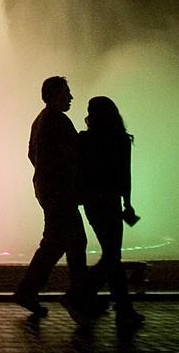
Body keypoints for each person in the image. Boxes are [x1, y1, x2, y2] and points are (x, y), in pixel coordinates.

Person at [12, 76, 99, 319]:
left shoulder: (40, 120)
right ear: (54, 95)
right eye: (66, 93)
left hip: (47, 189)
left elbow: (31, 153)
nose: (70, 97)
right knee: (70, 241)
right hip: (60, 191)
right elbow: (74, 153)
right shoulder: (57, 120)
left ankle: (37, 291)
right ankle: (76, 298)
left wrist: (43, 172)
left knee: (60, 242)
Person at [79, 95, 144, 326]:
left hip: (92, 203)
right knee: (112, 254)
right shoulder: (120, 139)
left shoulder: (86, 139)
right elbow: (125, 175)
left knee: (112, 255)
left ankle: (116, 305)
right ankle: (88, 296)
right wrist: (128, 202)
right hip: (111, 202)